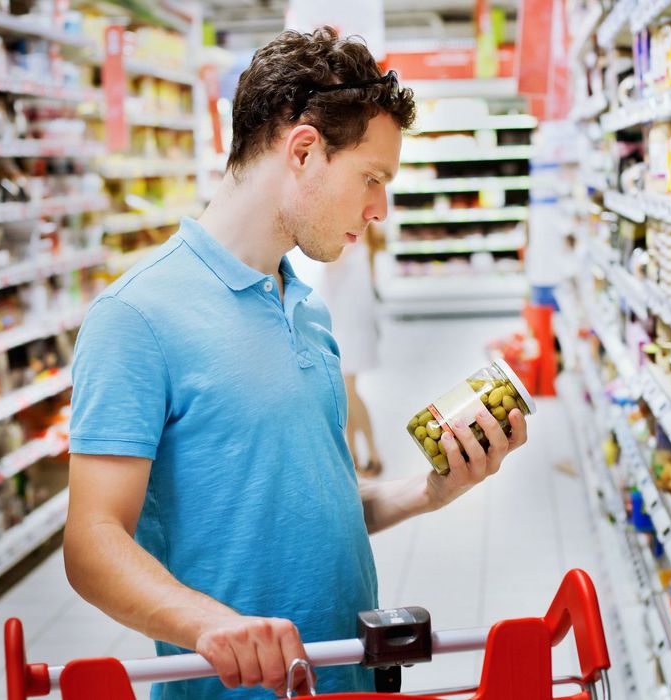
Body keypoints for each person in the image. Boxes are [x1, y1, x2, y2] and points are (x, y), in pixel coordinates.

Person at [62, 27, 529, 700]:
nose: (380, 209)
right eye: (372, 178)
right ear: (305, 150)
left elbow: (314, 501)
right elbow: (91, 542)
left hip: (349, 674)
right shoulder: (137, 315)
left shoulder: (305, 305)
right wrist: (209, 626)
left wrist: (429, 493)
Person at [320, 221, 385, 477]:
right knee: (345, 391)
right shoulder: (360, 243)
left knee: (347, 391)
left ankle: (372, 453)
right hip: (346, 326)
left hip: (350, 328)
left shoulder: (350, 244)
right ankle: (355, 454)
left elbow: (331, 264)